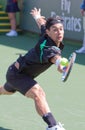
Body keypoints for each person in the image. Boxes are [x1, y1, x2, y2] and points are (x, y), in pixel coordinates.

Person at [0, 7, 68, 130]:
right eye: (55, 30)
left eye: (61, 29)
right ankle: (53, 126)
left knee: (5, 90)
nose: (59, 33)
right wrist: (60, 65)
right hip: (18, 75)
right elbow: (55, 58)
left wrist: (37, 16)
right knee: (38, 93)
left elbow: (42, 24)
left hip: (16, 73)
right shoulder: (49, 48)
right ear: (48, 32)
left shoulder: (46, 33)